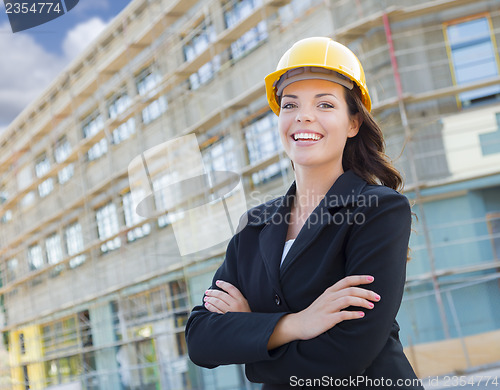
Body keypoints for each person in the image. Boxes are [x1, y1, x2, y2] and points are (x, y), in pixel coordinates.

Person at [185, 37, 423, 389]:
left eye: (325, 104)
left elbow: (348, 355)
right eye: (290, 104)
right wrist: (295, 324)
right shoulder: (255, 225)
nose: (304, 116)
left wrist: (254, 338)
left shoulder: (378, 209)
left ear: (353, 123)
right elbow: (200, 338)